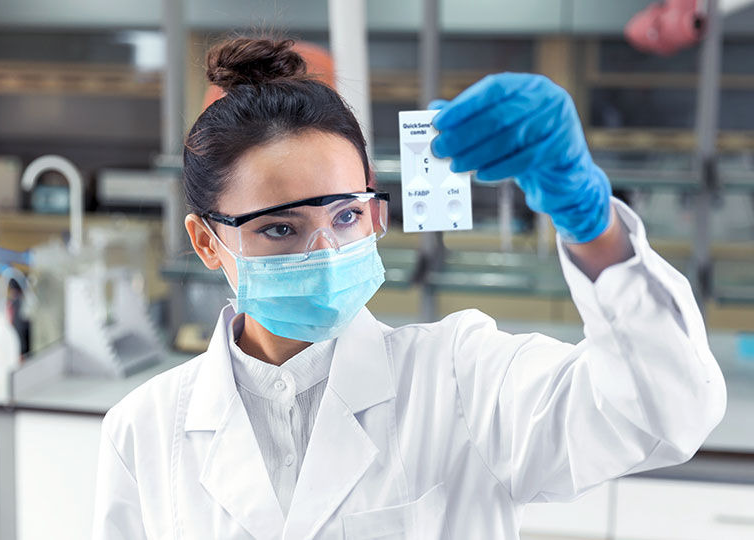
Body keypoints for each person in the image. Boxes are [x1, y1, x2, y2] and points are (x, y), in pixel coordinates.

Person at [92, 36, 726, 540]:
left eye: (344, 217)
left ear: (376, 217)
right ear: (206, 242)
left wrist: (595, 227)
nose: (326, 252)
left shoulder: (460, 379)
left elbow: (662, 414)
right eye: (280, 228)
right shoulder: (144, 432)